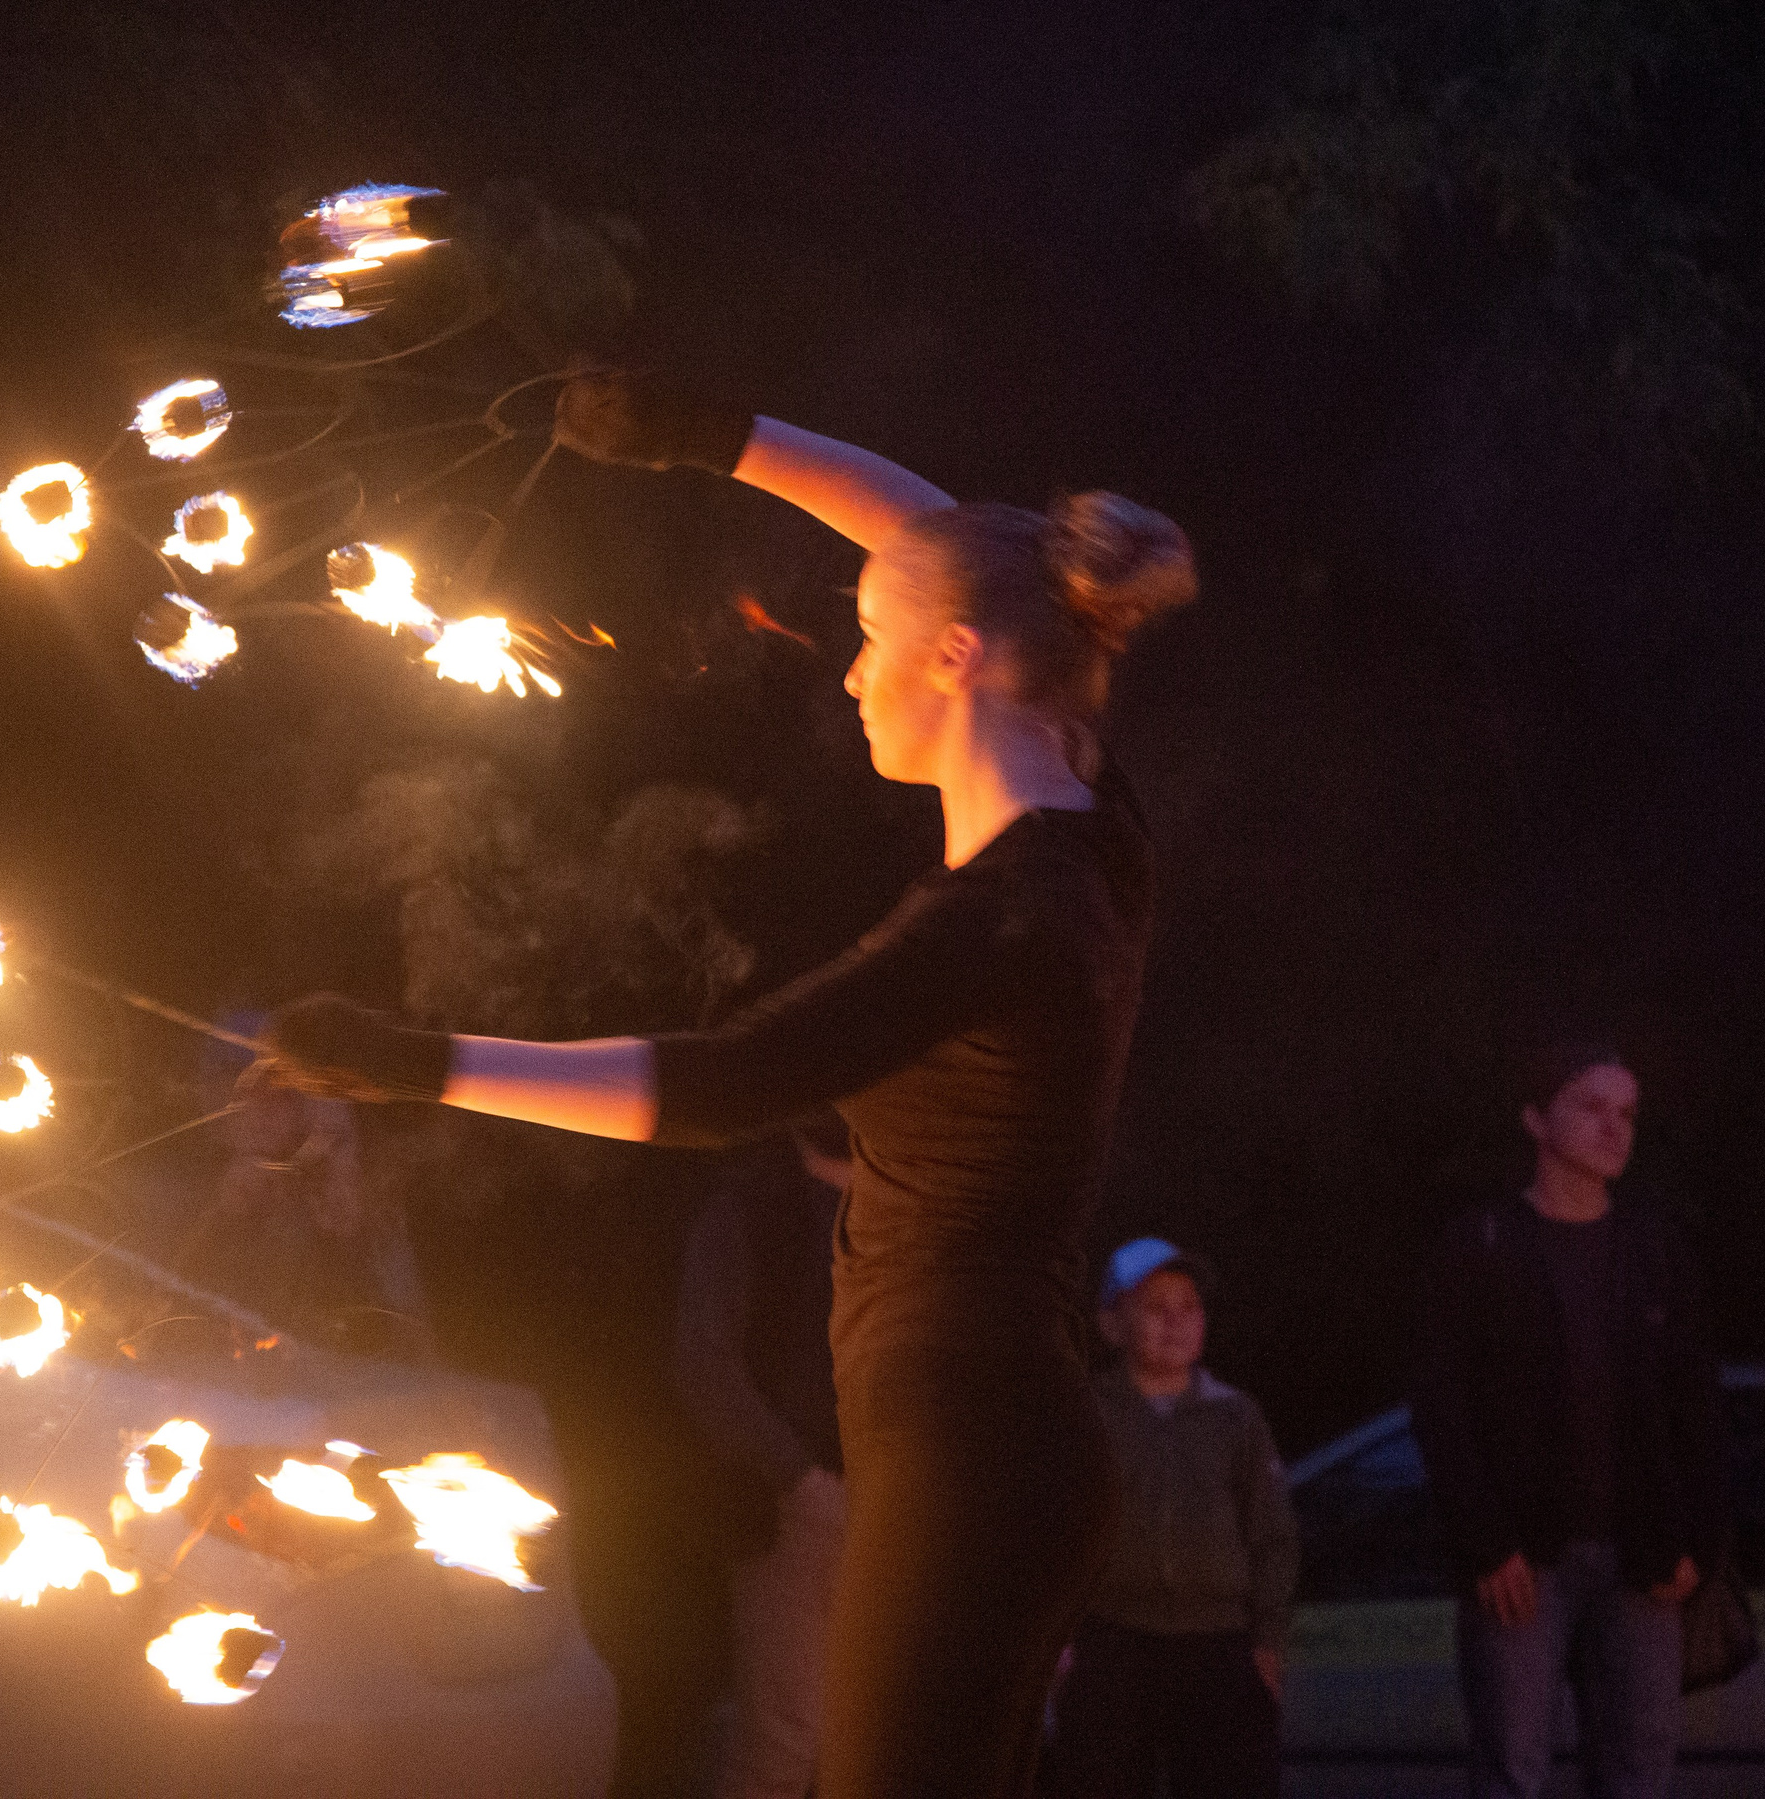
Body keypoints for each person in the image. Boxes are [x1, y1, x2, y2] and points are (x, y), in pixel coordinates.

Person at [253, 374, 1197, 1799]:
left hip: (971, 1453)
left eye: (870, 639)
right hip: (997, 1448)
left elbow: (722, 1083)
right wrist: (708, 435)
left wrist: (414, 1061)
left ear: (951, 658)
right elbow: (931, 529)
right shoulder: (1091, 837)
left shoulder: (998, 923)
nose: (847, 668)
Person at [1409, 1045, 1726, 1799]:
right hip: (1524, 1560)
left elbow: (1696, 1403)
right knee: (1514, 1771)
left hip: (1641, 1557)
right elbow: (1440, 1403)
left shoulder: (1655, 1249)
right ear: (1534, 1117)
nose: (1615, 1127)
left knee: (1638, 1774)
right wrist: (1487, 1542)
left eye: (1627, 1112)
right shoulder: (1481, 1245)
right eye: (1591, 1105)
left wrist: (1696, 1538)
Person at [1047, 1237, 1298, 1799]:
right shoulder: (1085, 1414)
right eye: (1154, 1307)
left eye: (1189, 1307)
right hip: (1111, 1642)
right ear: (1111, 1324)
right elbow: (1052, 1535)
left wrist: (1268, 1641)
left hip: (1217, 1644)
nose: (1175, 1321)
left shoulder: (1235, 1417)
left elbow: (1272, 1535)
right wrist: (1057, 1639)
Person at [675, 1121, 853, 1799]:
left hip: (899, 1502)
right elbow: (702, 1363)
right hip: (801, 1507)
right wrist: (799, 1477)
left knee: (878, 1741)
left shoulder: (908, 1208)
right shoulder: (756, 1207)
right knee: (784, 1743)